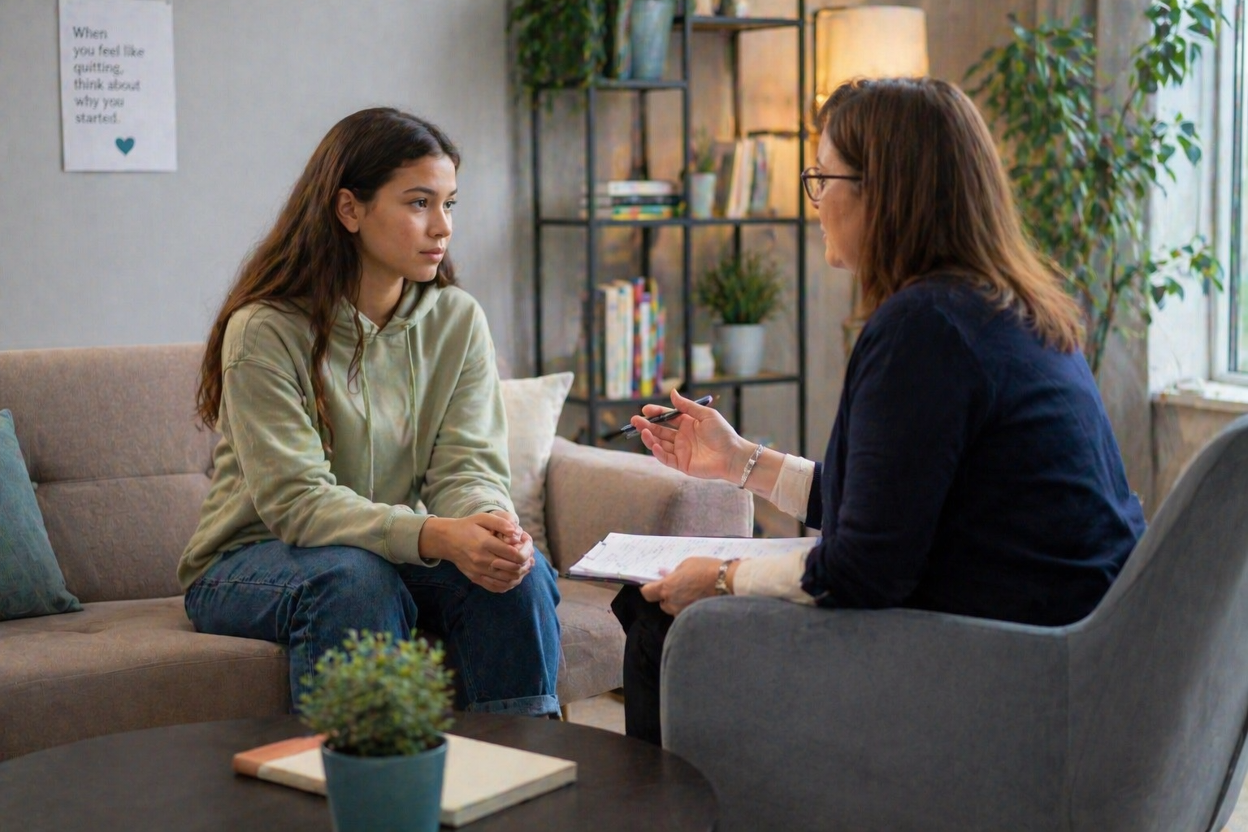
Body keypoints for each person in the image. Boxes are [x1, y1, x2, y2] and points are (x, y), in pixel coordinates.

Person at [613, 78, 1147, 745]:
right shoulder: (1008, 310)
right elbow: (893, 509)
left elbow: (861, 570)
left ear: (884, 191)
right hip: (1070, 654)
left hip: (998, 675)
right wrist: (741, 462)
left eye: (822, 177)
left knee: (663, 624)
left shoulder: (922, 328)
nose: (815, 201)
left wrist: (722, 578)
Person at [177, 108, 561, 717]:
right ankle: (367, 771)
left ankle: (520, 762)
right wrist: (434, 535)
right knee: (354, 578)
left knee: (517, 575)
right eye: (419, 203)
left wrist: (490, 526)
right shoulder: (265, 330)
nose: (442, 226)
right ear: (349, 209)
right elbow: (298, 502)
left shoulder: (457, 320)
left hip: (385, 552)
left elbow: (467, 466)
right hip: (251, 560)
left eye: (449, 204)